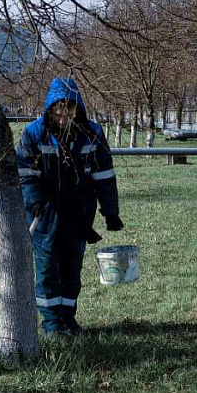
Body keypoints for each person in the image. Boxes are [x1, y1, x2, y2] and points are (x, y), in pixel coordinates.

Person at [16, 77, 124, 335]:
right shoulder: (34, 133)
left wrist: (111, 212)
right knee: (46, 271)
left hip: (78, 214)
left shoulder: (92, 133)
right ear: (50, 108)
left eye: (70, 109)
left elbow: (104, 175)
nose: (64, 116)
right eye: (59, 109)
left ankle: (68, 319)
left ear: (78, 107)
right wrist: (34, 202)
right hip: (45, 215)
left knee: (71, 270)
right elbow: (25, 171)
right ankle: (52, 324)